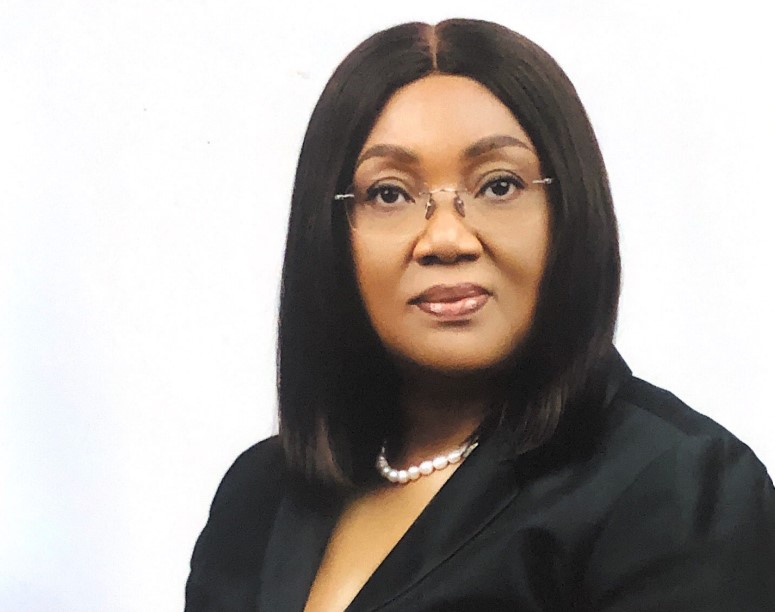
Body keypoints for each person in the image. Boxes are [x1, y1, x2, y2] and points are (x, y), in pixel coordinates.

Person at [184, 18, 775, 611]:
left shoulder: (681, 486)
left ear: (568, 209)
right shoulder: (259, 495)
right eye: (390, 193)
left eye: (498, 186)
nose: (446, 239)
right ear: (331, 232)